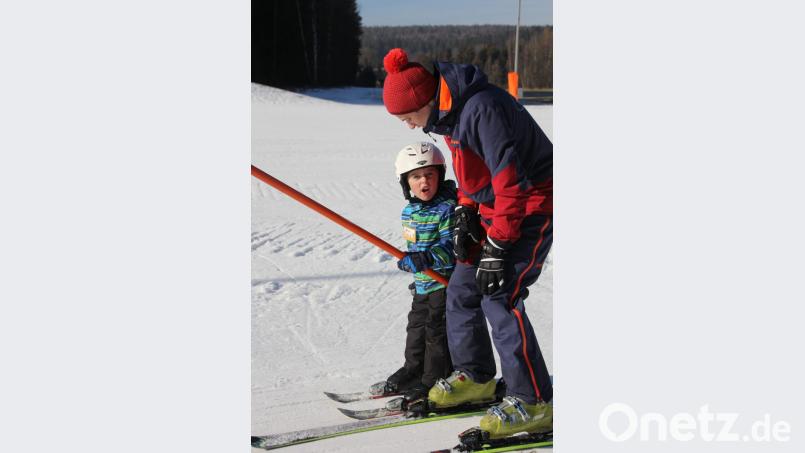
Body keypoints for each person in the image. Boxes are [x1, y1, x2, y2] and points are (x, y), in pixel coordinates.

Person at [381, 48, 554, 439]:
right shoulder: (451, 115)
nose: (408, 125)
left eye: (407, 117)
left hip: (532, 205)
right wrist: (465, 210)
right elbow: (473, 175)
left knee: (500, 295)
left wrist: (498, 247)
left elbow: (511, 181)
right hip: (497, 208)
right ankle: (476, 376)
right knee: (461, 289)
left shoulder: (481, 109)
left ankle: (534, 402)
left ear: (423, 101)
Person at [371, 141, 457, 402]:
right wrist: (411, 262)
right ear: (405, 182)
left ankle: (434, 380)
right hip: (423, 283)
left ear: (440, 175)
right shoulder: (409, 211)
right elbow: (415, 245)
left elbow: (451, 247)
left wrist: (425, 258)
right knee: (416, 330)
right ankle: (414, 371)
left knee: (436, 333)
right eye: (416, 176)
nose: (424, 181)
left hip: (443, 283)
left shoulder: (447, 209)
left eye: (429, 174)